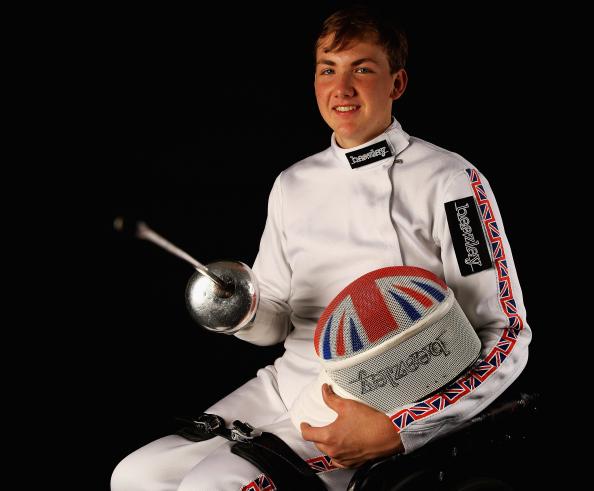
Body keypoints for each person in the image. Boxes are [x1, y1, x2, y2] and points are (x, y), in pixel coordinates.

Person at [111, 5, 531, 490]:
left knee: (212, 487)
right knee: (136, 476)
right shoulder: (293, 184)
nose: (342, 88)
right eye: (328, 70)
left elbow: (505, 333)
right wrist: (242, 309)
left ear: (397, 84)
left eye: (362, 69)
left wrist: (402, 429)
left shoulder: (450, 182)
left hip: (378, 396)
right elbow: (277, 323)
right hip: (287, 384)